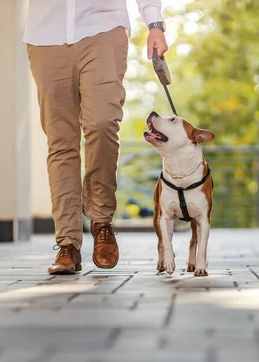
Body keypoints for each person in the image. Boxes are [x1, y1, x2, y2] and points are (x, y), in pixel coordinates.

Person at [24, 1, 168, 275]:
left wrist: (154, 23)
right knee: (60, 141)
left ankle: (101, 220)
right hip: (46, 36)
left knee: (102, 123)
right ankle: (67, 244)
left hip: (103, 27)